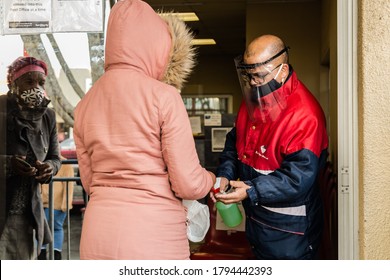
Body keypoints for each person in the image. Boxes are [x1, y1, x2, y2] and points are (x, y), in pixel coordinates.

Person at [73, 0, 215, 260]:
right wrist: (213, 180)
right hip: (152, 236)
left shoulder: (85, 103)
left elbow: (89, 181)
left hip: (96, 233)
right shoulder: (164, 97)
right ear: (156, 45)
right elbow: (188, 184)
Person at [212, 34, 329, 260]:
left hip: (291, 232)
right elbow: (233, 144)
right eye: (249, 76)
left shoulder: (305, 115)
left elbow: (298, 177)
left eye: (259, 76)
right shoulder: (254, 101)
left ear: (282, 71)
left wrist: (251, 190)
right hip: (257, 223)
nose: (253, 83)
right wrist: (225, 175)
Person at [0, 56, 61, 259]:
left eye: (41, 83)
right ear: (13, 83)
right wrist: (8, 164)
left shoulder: (48, 116)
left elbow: (55, 157)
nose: (36, 88)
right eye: (29, 81)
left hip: (26, 216)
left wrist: (49, 168)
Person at [38, 155, 74, 260]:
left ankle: (48, 253)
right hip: (42, 201)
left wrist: (66, 204)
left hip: (56, 202)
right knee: (45, 227)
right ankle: (48, 253)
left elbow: (69, 185)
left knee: (53, 227)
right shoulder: (40, 161)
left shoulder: (65, 164)